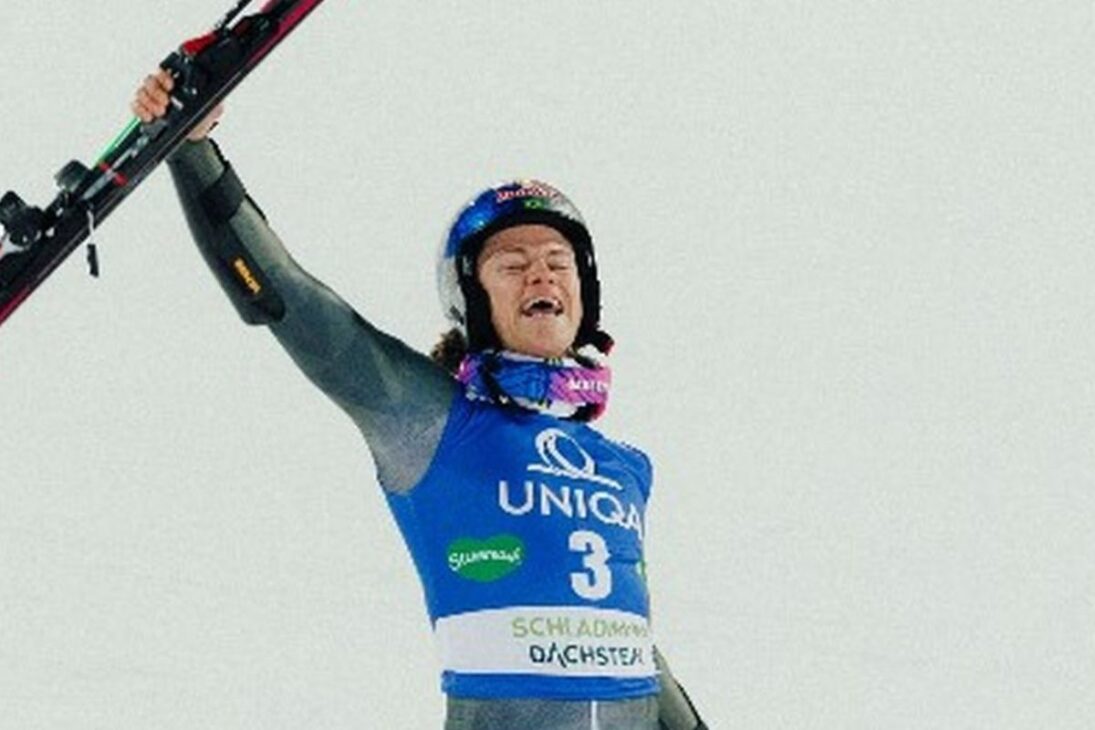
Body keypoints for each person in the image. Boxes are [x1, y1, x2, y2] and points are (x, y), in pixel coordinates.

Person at [134, 70, 707, 730]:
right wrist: (192, 149)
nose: (542, 274)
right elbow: (289, 299)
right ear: (471, 300)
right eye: (512, 265)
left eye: (558, 261)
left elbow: (632, 643)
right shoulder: (430, 421)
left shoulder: (625, 466)